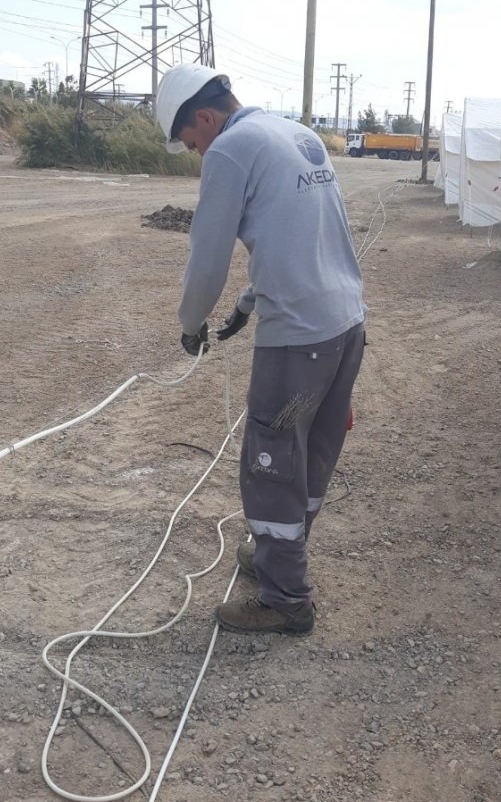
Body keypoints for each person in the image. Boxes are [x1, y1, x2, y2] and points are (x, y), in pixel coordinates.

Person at [156, 63, 366, 635]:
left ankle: (285, 600)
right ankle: (278, 557)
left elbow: (208, 256)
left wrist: (190, 323)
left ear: (204, 117)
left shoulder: (231, 149)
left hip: (298, 340)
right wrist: (248, 303)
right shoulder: (290, 134)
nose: (198, 154)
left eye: (192, 143)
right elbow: (299, 235)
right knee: (311, 454)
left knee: (270, 464)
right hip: (345, 326)